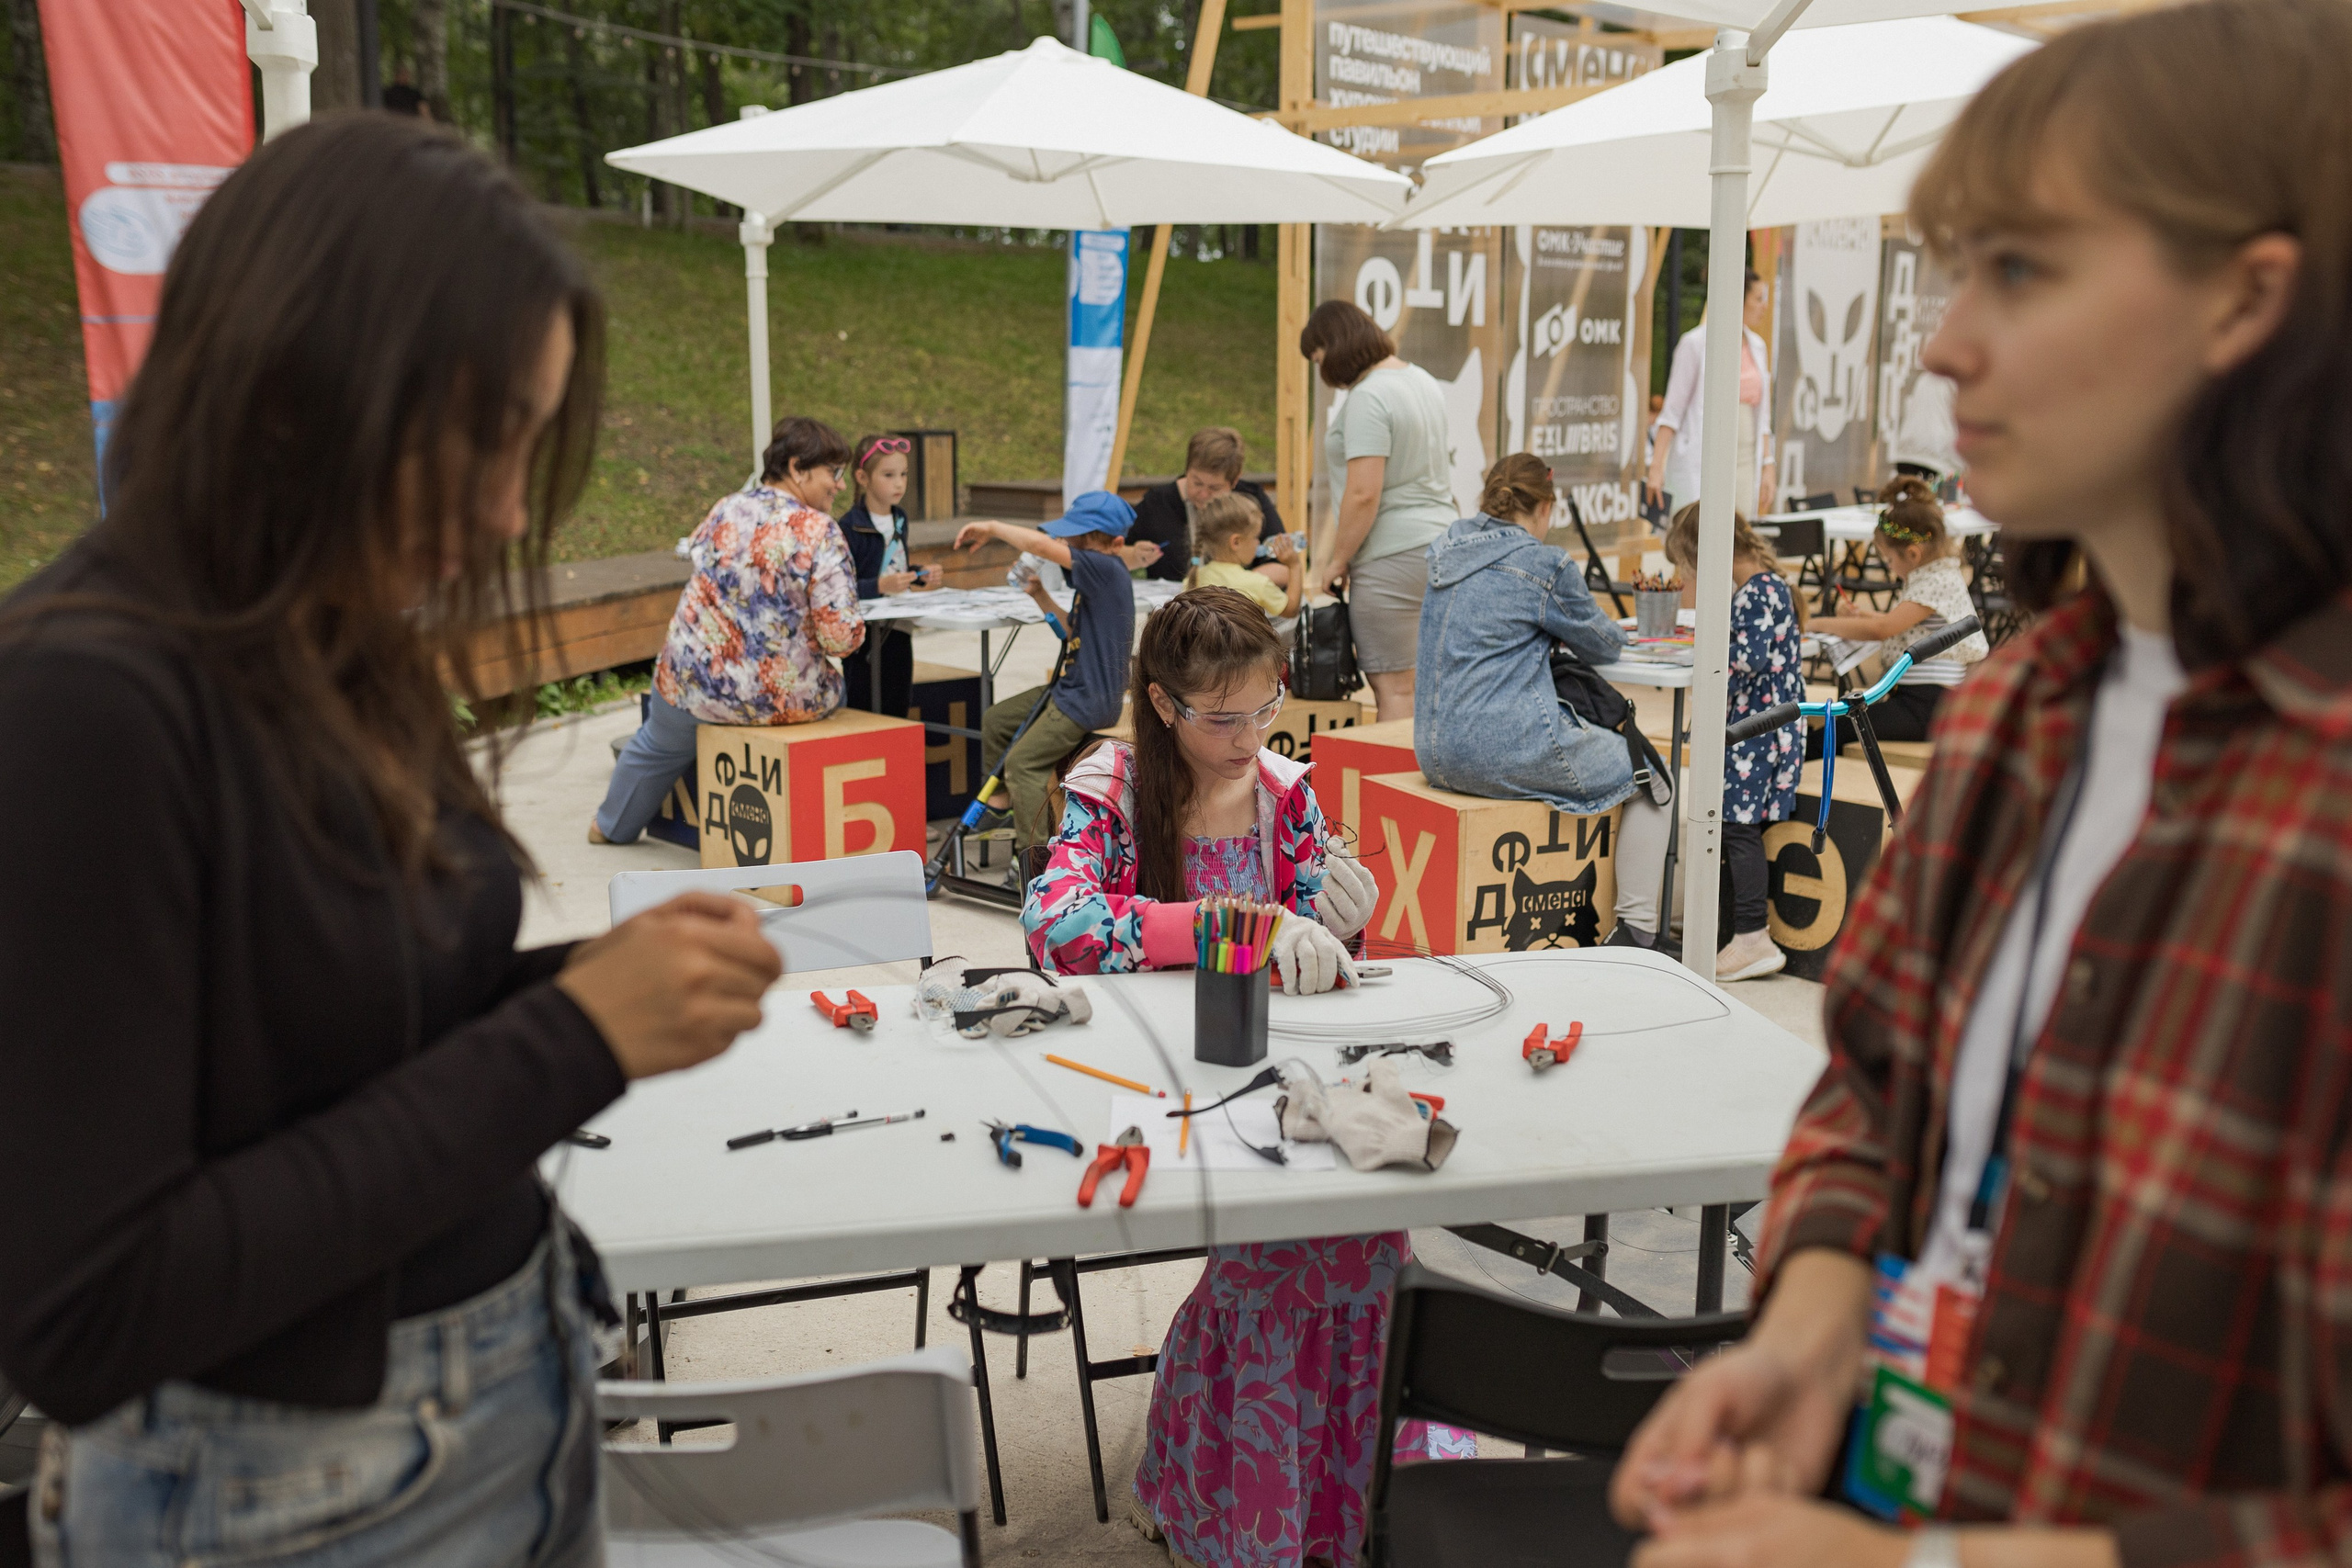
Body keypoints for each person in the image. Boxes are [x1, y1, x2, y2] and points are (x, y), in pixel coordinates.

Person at [1611, 5, 2352, 1566]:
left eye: (2022, 270)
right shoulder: (2028, 708)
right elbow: (1876, 1083)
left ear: (2247, 298)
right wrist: (1807, 1336)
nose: (1948, 344)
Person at [0, 115, 782, 1568]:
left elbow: (332, 1032)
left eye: (530, 446)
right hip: (281, 1498)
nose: (503, 509)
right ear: (297, 380)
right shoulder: (78, 700)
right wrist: (570, 1035)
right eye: (481, 438)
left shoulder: (327, 630)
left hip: (499, 1403)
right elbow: (90, 1310)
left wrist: (584, 978)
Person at [1019, 590, 1461, 1567]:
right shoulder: (1114, 785)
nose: (1247, 734)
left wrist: (1343, 920)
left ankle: (1345, 1492)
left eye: (1267, 709)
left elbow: (1312, 940)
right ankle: (1258, 1498)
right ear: (1163, 703)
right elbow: (1056, 927)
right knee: (1276, 1252)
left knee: (1370, 1220)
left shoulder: (1282, 790)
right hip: (1162, 1074)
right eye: (1222, 717)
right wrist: (1240, 925)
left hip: (1279, 1065)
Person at [1415, 453, 1678, 953]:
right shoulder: (1543, 562)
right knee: (1655, 777)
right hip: (1501, 745)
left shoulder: (1446, 547)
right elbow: (1604, 645)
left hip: (1435, 749)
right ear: (1546, 508)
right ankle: (1638, 934)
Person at [590, 415, 864, 845]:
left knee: (657, 744)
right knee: (841, 692)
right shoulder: (821, 531)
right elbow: (839, 639)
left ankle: (610, 827)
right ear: (797, 468)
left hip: (693, 687)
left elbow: (703, 565)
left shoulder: (727, 507)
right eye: (834, 473)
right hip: (785, 700)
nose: (840, 485)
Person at [957, 493, 1148, 858]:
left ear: (1115, 544)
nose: (1069, 545)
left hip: (1086, 700)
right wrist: (1040, 594)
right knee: (997, 720)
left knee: (1023, 764)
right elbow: (1068, 632)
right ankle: (1001, 804)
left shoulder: (1105, 568)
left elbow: (1039, 545)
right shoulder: (1094, 583)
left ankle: (1038, 860)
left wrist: (994, 526)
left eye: (1078, 539)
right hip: (1070, 688)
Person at [1661, 502, 1806, 981]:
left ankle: (1752, 936)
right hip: (1758, 726)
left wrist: (1701, 637)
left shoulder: (1758, 592)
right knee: (1733, 827)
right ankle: (1736, 928)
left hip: (1758, 731)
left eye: (1689, 567)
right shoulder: (1760, 588)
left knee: (1738, 828)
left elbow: (1748, 659)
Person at [1298, 299, 1456, 723]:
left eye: (1319, 358)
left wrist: (1338, 560)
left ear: (1335, 346)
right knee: (1433, 688)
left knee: (1395, 691)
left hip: (1390, 557)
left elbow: (1364, 492)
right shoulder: (1421, 380)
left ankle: (1393, 788)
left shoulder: (1369, 396)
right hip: (1443, 545)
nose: (1322, 371)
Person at [1805, 475, 1992, 750]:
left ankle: (1795, 764)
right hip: (1924, 701)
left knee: (1844, 726)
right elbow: (1901, 624)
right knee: (1845, 720)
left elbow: (1884, 629)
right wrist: (1859, 617)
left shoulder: (1934, 583)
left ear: (1913, 554)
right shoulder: (1939, 574)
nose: (1890, 567)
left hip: (1927, 707)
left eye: (1890, 560)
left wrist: (1817, 623)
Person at [1646, 271, 1778, 522]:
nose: (1765, 306)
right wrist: (1656, 466)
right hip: (1704, 456)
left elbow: (1763, 418)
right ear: (1739, 298)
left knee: (1739, 535)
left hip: (1746, 459)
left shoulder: (1758, 347)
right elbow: (1672, 410)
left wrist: (1767, 464)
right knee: (1697, 533)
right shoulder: (1695, 344)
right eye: (1759, 298)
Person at [840, 432, 940, 719]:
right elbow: (842, 588)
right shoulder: (848, 527)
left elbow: (896, 567)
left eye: (904, 474)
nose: (899, 483)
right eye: (888, 475)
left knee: (898, 704)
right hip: (865, 637)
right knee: (864, 708)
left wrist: (919, 575)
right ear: (862, 477)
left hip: (899, 627)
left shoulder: (900, 518)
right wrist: (879, 586)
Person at [1128, 425, 1290, 587]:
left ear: (1234, 481)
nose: (1203, 494)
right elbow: (1112, 549)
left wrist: (1237, 583)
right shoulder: (1158, 503)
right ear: (1187, 470)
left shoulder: (1250, 500)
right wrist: (1135, 555)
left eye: (1214, 488)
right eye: (1197, 483)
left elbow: (1284, 568)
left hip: (1233, 605)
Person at [1185, 491, 1303, 621]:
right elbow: (1291, 610)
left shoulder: (1192, 580)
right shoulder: (1257, 584)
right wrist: (1294, 566)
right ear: (1236, 542)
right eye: (1255, 537)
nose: (1258, 542)